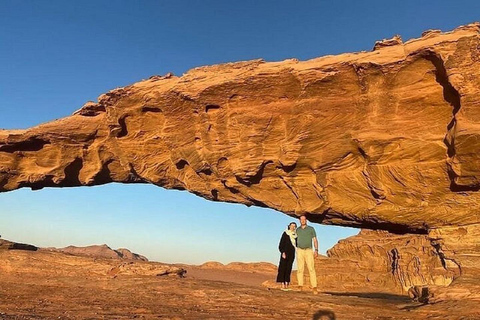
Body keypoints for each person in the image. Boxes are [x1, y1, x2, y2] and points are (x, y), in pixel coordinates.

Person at [296, 215, 319, 294]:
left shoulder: (311, 229)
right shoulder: (297, 230)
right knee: (300, 268)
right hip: (299, 250)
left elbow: (315, 240)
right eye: (301, 219)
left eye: (304, 219)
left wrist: (316, 250)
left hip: (308, 250)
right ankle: (300, 286)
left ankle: (314, 287)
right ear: (299, 221)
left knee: (311, 268)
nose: (302, 221)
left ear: (306, 220)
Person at [276, 222, 297, 290]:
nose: (293, 227)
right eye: (291, 226)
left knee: (289, 268)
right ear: (289, 226)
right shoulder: (285, 233)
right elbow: (281, 243)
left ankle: (287, 284)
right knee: (283, 267)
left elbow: (297, 244)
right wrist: (282, 252)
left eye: (294, 226)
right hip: (285, 252)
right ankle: (282, 284)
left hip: (292, 253)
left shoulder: (296, 235)